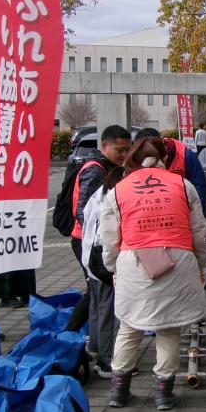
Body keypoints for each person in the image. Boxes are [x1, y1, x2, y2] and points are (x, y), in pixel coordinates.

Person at [100, 136, 206, 411]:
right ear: (164, 157)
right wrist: (201, 264)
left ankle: (118, 391)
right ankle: (163, 393)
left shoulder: (119, 189)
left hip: (133, 262)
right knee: (169, 329)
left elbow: (109, 237)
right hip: (178, 261)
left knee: (129, 327)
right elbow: (198, 231)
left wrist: (113, 268)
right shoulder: (183, 185)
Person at [71, 125, 132, 377]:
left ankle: (96, 349)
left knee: (97, 301)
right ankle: (106, 360)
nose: (124, 155)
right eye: (120, 150)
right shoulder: (96, 171)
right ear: (104, 145)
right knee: (107, 304)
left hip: (92, 248)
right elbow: (85, 212)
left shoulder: (103, 169)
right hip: (97, 248)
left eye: (128, 150)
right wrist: (108, 253)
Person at [137, 127, 206, 211]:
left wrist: (200, 212)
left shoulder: (185, 155)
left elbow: (199, 187)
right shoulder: (136, 158)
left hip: (182, 209)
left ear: (162, 141)